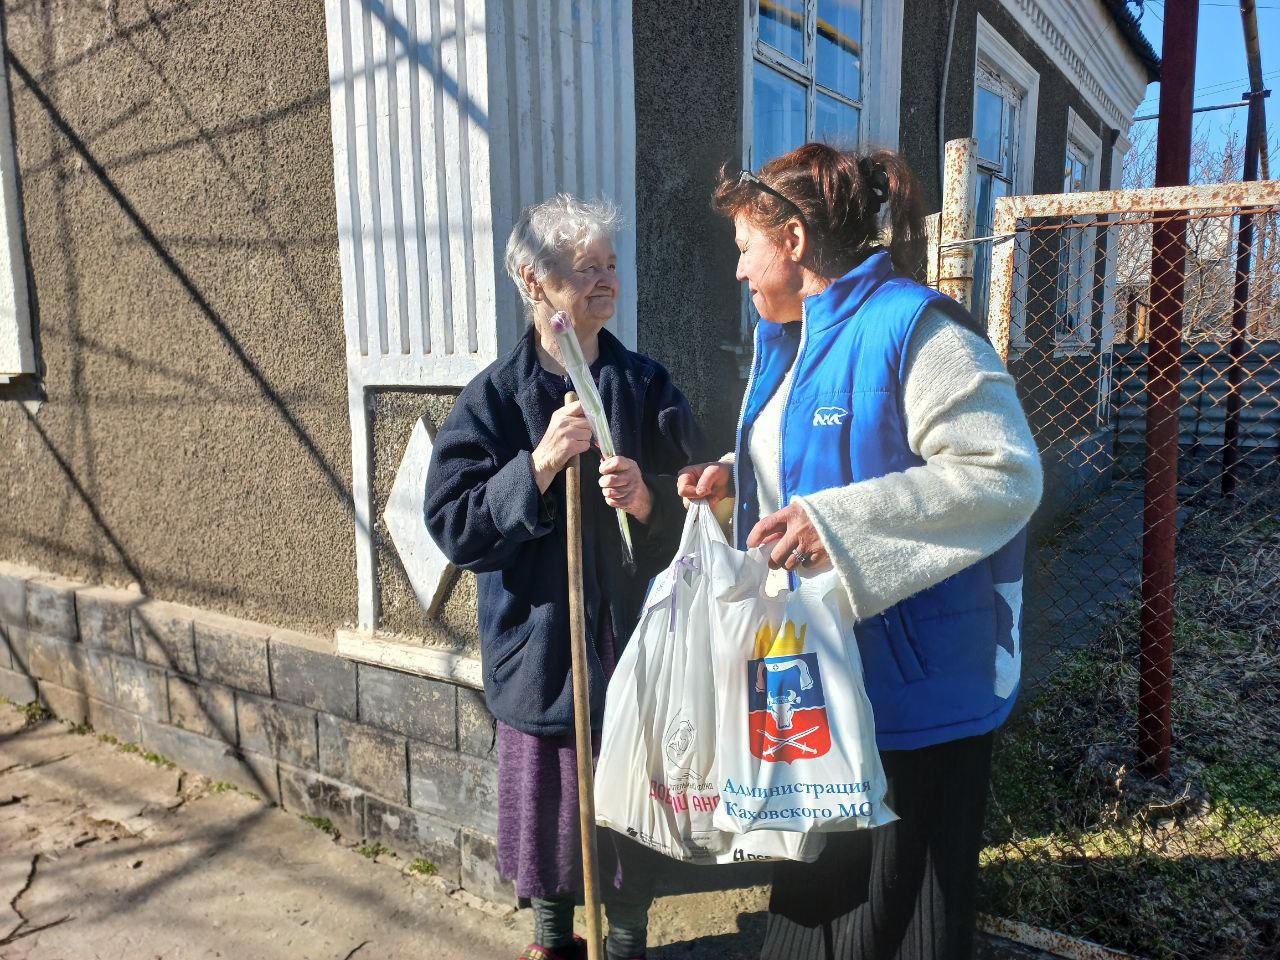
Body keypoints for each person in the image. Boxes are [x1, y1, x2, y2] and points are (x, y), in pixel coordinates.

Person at [678, 143, 1043, 960]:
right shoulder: (790, 344)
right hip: (815, 686)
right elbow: (820, 460)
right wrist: (736, 482)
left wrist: (834, 525)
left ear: (794, 240)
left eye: (744, 249)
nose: (739, 272)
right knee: (815, 917)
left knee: (902, 925)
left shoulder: (917, 330)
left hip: (911, 704)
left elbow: (1006, 473)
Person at [426, 193, 709, 960]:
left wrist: (651, 499)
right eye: (586, 270)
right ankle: (552, 944)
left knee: (632, 816)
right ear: (534, 280)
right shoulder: (494, 397)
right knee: (551, 817)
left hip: (632, 653)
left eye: (610, 267)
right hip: (543, 652)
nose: (605, 282)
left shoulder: (644, 384)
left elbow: (708, 492)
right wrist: (540, 464)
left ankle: (625, 947)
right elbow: (453, 524)